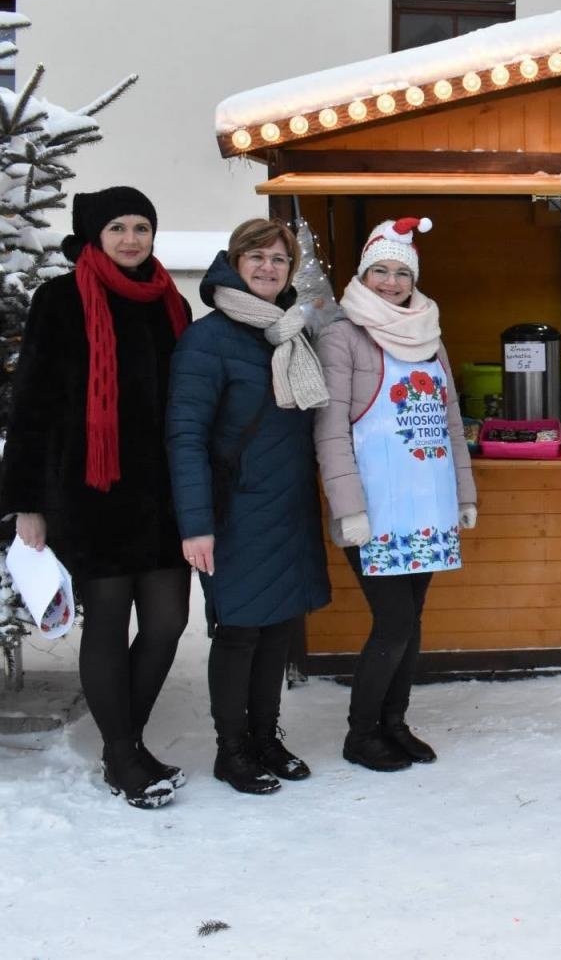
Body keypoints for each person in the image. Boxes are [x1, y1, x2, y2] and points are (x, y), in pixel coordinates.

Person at [3, 187, 191, 810]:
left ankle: (126, 742)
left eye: (142, 226)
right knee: (109, 624)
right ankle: (121, 753)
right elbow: (30, 404)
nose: (132, 238)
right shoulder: (59, 300)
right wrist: (29, 502)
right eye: (118, 227)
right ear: (93, 234)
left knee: (167, 623)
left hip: (162, 492)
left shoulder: (169, 300)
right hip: (90, 490)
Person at [167, 218, 331, 796]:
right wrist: (196, 526)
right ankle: (230, 749)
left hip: (286, 508)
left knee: (278, 628)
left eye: (279, 260)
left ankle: (265, 736)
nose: (267, 268)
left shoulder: (289, 332)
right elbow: (184, 436)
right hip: (233, 512)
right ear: (233, 263)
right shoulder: (206, 340)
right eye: (256, 257)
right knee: (239, 632)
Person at [314, 217, 477, 771]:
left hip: (427, 505)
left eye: (399, 273)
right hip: (375, 510)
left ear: (413, 279)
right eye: (379, 270)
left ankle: (394, 724)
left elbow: (451, 423)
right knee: (394, 624)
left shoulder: (430, 335)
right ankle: (361, 734)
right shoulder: (343, 335)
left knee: (413, 620)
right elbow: (331, 429)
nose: (388, 282)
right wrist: (348, 511)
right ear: (363, 273)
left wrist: (464, 494)